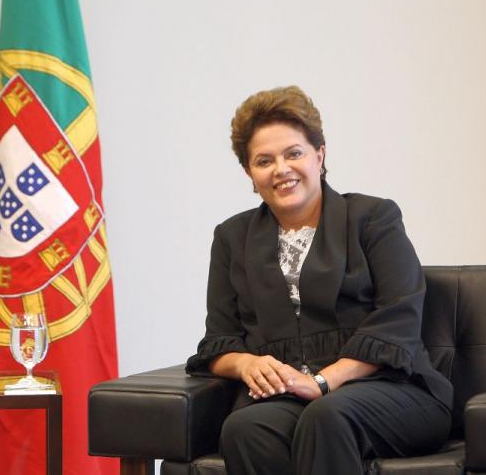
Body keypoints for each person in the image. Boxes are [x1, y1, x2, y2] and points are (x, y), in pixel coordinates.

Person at [186, 86, 453, 475]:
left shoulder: (373, 217)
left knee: (328, 416)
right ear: (249, 172)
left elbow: (400, 318)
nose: (281, 169)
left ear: (320, 155)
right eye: (264, 160)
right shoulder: (232, 238)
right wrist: (246, 364)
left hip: (395, 388)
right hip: (289, 395)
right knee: (246, 428)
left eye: (294, 153)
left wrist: (324, 382)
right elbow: (219, 340)